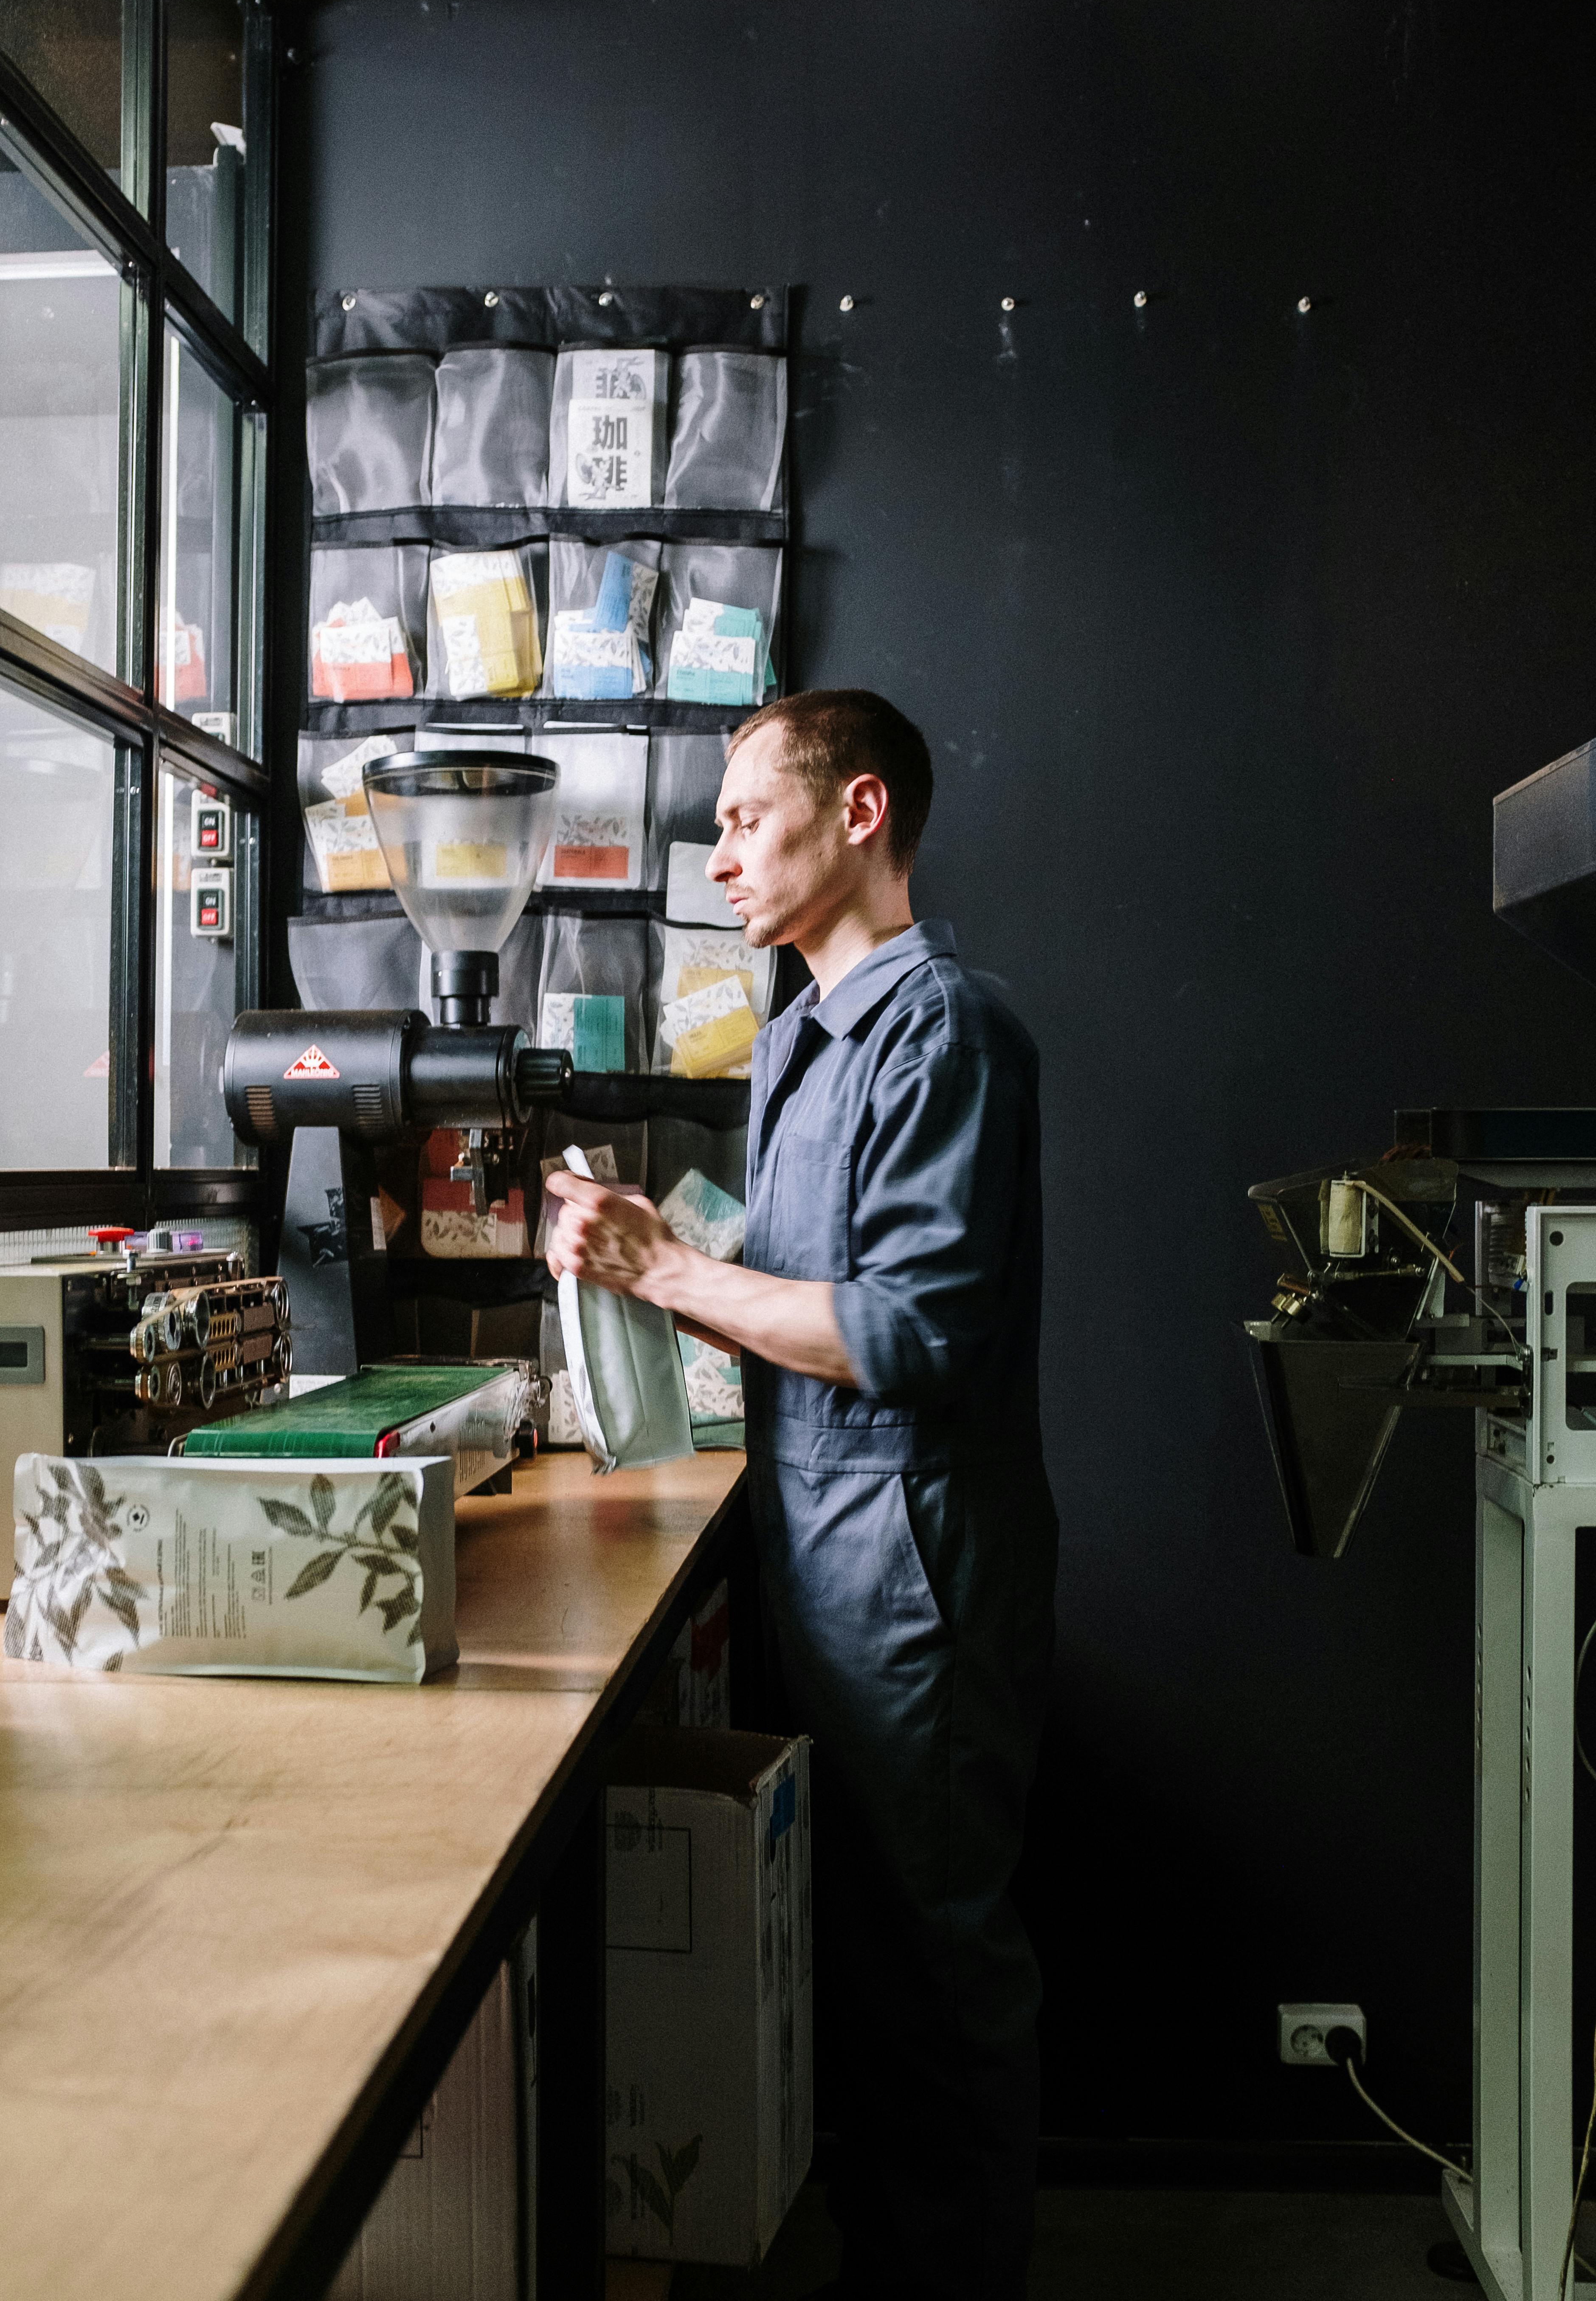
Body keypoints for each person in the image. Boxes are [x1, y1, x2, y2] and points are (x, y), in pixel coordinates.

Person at [546, 688, 1057, 2299]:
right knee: (869, 1954)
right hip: (815, 1539)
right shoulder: (791, 1039)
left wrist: (678, 1272)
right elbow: (784, 1280)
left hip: (917, 1555)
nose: (718, 858)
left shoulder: (949, 1030)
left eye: (744, 821)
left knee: (938, 1964)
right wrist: (654, 1250)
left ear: (858, 817)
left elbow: (903, 1332)